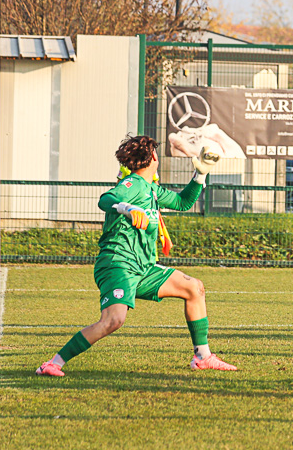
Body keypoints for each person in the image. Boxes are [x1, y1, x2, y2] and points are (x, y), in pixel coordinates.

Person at [36, 136, 237, 376]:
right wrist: (127, 207)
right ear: (153, 157)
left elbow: (183, 202)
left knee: (194, 288)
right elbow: (106, 199)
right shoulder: (133, 184)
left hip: (143, 267)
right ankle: (53, 363)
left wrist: (201, 174)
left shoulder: (151, 188)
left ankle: (203, 356)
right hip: (118, 264)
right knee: (113, 321)